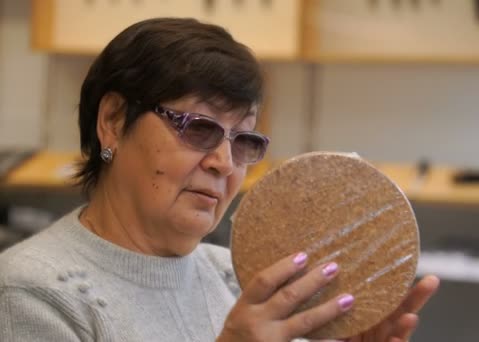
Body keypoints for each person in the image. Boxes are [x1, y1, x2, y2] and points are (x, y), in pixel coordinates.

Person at [0, 17, 439, 341]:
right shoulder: (30, 293)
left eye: (243, 139)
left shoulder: (239, 276)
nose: (224, 162)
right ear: (113, 121)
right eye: (198, 128)